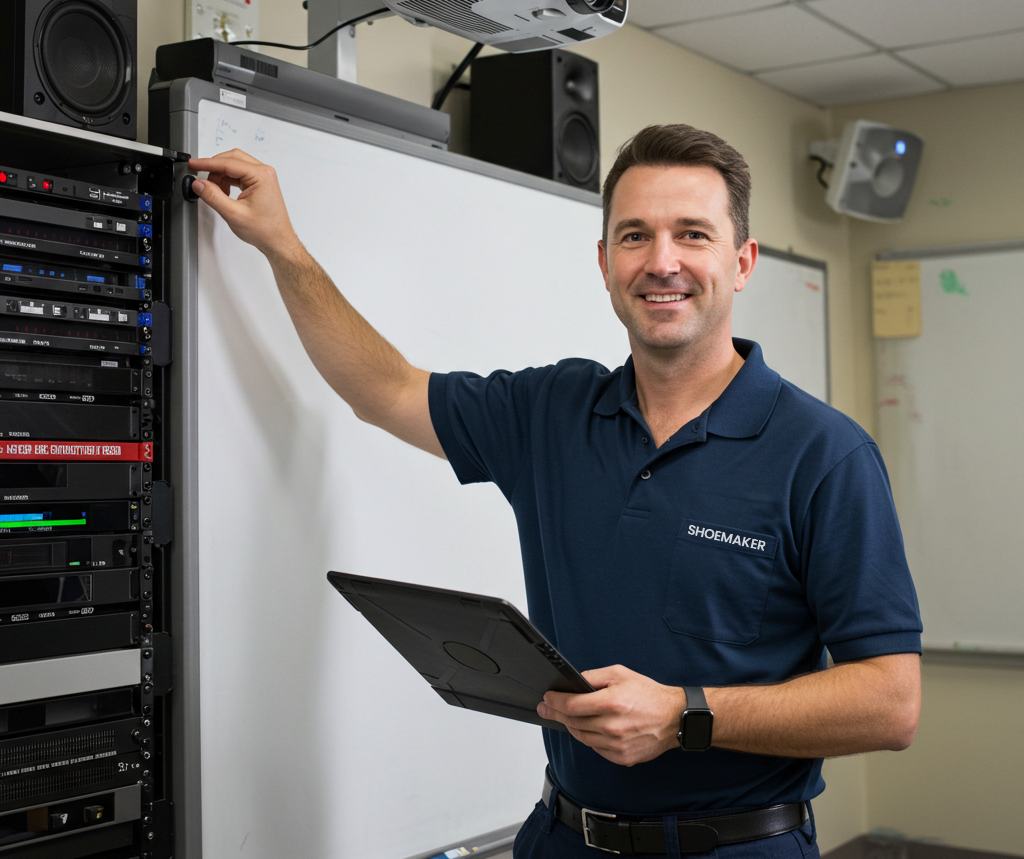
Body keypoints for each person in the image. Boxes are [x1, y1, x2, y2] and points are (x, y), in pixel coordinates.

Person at [187, 123, 922, 859]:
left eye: (693, 235)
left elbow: (891, 704)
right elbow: (384, 390)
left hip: (737, 847)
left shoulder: (825, 453)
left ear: (743, 261)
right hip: (561, 838)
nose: (662, 262)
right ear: (605, 263)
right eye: (635, 236)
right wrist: (283, 246)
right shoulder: (552, 412)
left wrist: (684, 715)